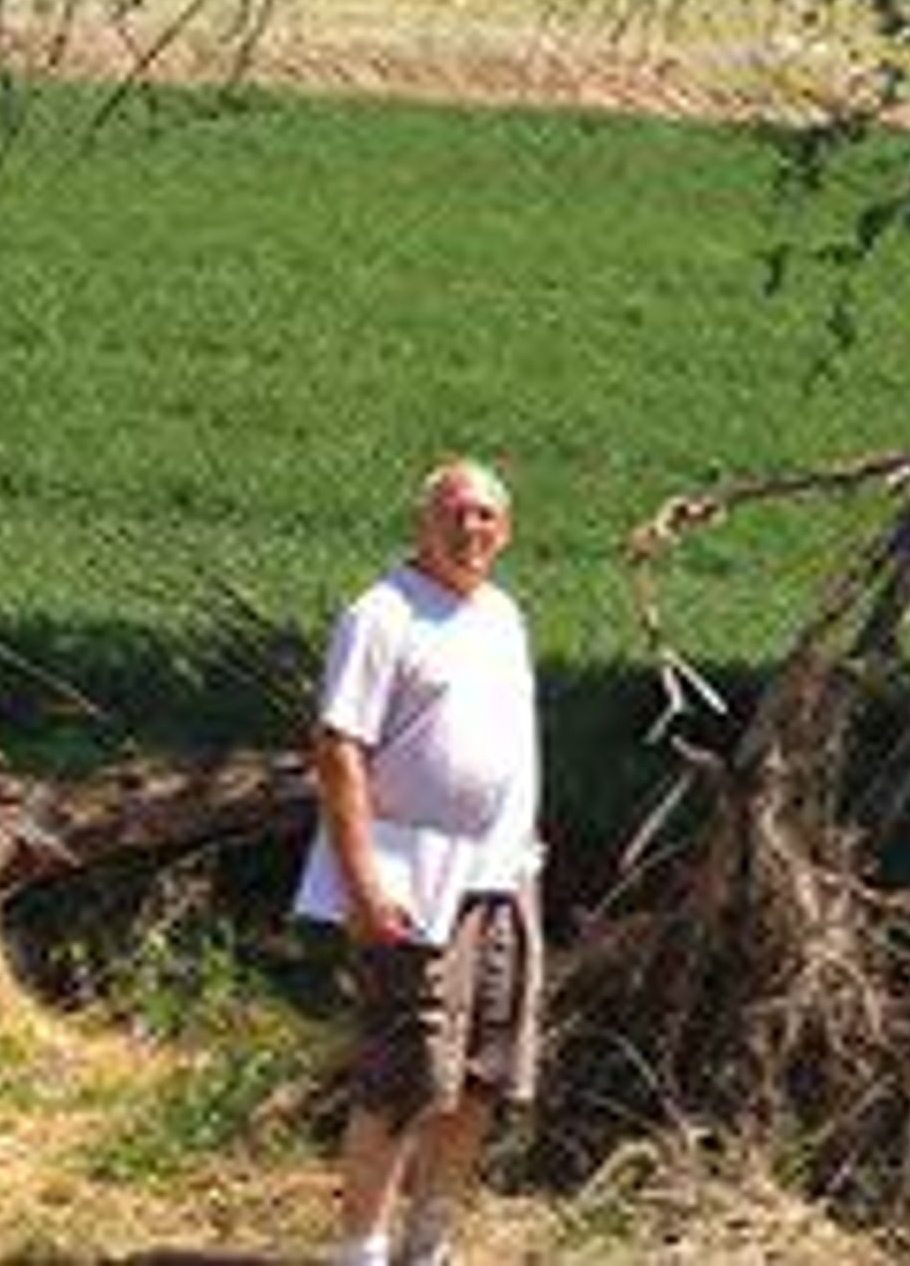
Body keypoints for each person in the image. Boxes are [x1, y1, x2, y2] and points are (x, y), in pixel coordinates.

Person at [296, 457, 543, 1266]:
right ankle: (360, 1252)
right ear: (423, 521)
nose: (472, 529)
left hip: (500, 876)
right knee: (404, 1073)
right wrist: (364, 882)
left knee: (480, 1072)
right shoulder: (382, 614)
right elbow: (339, 750)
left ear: (504, 530)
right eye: (457, 512)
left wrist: (522, 863)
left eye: (486, 517)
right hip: (412, 880)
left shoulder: (504, 614)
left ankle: (428, 1245)